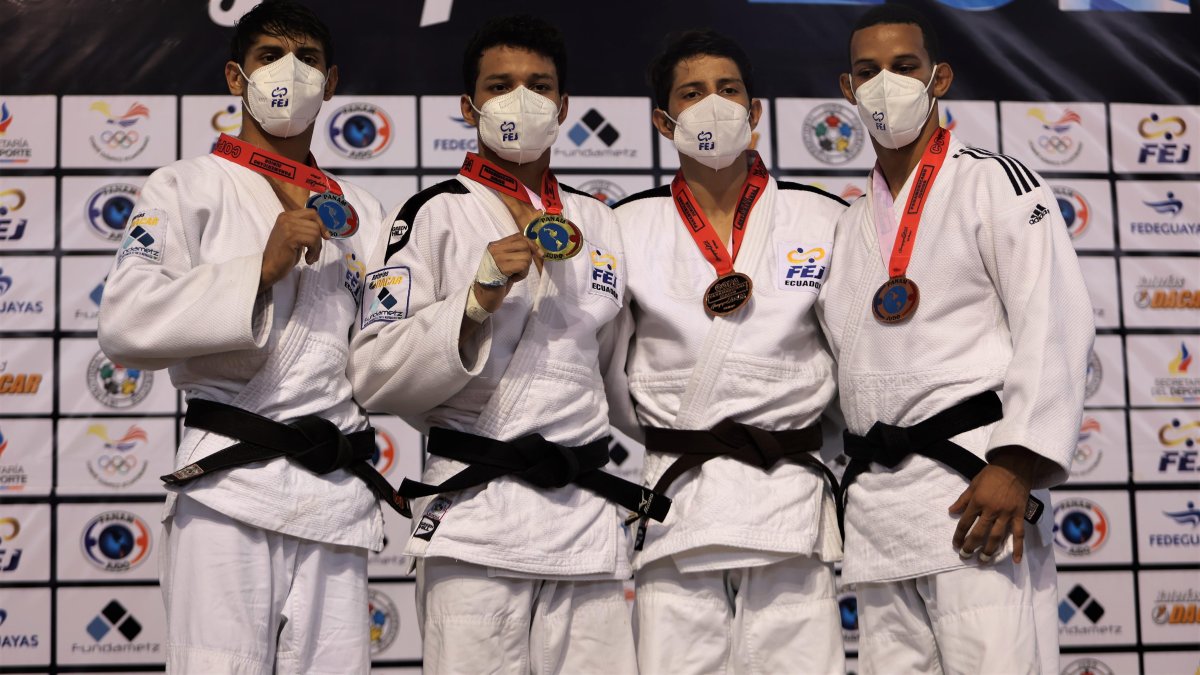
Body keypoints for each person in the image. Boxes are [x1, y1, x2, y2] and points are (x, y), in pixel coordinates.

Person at [347, 15, 654, 674]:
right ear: (468, 106)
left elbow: (619, 372)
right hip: (476, 519)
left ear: (564, 107)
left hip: (587, 521)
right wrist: (476, 297)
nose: (522, 99)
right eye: (501, 84)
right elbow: (373, 373)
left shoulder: (597, 221)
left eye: (540, 85)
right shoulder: (428, 214)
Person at [97, 1, 391, 672]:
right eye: (270, 56)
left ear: (332, 82)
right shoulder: (184, 187)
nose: (291, 71)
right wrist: (258, 269)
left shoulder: (364, 215)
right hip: (228, 488)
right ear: (236, 77)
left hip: (333, 495)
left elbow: (383, 351)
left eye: (308, 59)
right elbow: (125, 320)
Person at [817, 6, 1095, 674]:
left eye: (904, 67)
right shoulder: (849, 223)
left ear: (938, 77)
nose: (887, 84)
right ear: (848, 89)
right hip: (882, 512)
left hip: (977, 490)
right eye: (868, 71)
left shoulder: (995, 181)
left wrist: (1017, 460)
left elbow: (1054, 319)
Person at [606, 30, 848, 675]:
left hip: (789, 491)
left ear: (755, 111)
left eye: (728, 90)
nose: (713, 105)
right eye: (692, 94)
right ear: (664, 121)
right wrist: (663, 430)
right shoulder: (625, 225)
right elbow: (605, 365)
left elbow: (854, 356)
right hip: (678, 492)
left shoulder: (822, 216)